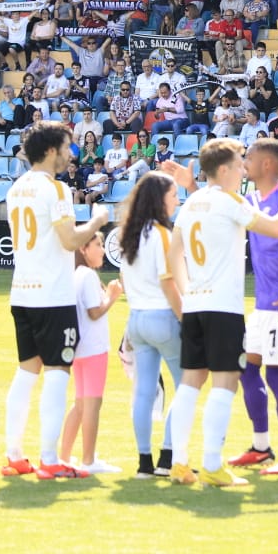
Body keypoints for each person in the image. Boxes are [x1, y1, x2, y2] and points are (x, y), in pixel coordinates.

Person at [159, 140, 278, 487]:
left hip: (196, 306)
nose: (244, 168)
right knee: (225, 383)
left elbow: (174, 256)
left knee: (190, 383)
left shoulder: (192, 202)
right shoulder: (230, 201)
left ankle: (179, 463)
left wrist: (187, 296)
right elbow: (276, 228)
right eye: (240, 163)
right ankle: (212, 464)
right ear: (225, 169)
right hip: (222, 308)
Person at [0, 121, 110, 480]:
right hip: (52, 295)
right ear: (51, 151)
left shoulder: (16, 189)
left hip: (23, 291)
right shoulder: (56, 189)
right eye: (66, 146)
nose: (70, 152)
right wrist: (97, 221)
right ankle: (50, 459)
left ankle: (15, 454)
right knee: (58, 373)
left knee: (25, 372)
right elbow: (68, 240)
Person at [228, 139, 278, 475]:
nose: (244, 161)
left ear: (266, 164)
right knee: (245, 368)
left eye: (249, 157)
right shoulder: (249, 201)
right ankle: (261, 446)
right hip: (262, 305)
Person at [115, 171, 184, 479]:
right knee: (185, 387)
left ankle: (144, 460)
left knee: (144, 391)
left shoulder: (128, 233)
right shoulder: (162, 234)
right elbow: (169, 284)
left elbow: (125, 281)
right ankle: (167, 456)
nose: (178, 200)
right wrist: (186, 319)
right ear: (160, 200)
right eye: (173, 196)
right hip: (162, 317)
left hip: (137, 319)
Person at [57, 231, 122, 473]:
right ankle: (88, 460)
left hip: (80, 348)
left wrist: (107, 296)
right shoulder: (87, 276)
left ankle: (64, 456)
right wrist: (113, 297)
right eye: (98, 245)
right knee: (93, 404)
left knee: (81, 404)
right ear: (84, 249)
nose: (103, 250)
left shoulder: (77, 274)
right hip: (94, 349)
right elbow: (95, 312)